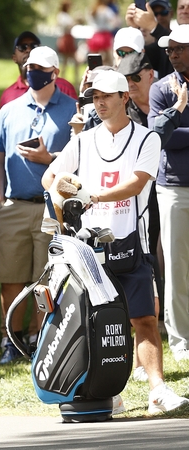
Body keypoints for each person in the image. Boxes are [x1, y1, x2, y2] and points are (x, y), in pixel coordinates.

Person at [43, 70, 189, 414]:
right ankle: (106, 392)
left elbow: (137, 183)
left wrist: (92, 196)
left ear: (124, 97)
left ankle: (157, 390)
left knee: (144, 319)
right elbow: (50, 176)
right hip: (88, 249)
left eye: (106, 96)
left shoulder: (146, 138)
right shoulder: (82, 141)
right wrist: (64, 193)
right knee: (94, 323)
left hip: (131, 242)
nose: (99, 103)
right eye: (95, 97)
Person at [0, 46, 75, 364]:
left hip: (52, 206)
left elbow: (79, 160)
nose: (33, 73)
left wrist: (48, 158)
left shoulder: (72, 109)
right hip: (13, 205)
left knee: (46, 278)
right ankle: (10, 340)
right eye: (29, 67)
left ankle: (42, 340)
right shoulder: (9, 110)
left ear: (55, 73)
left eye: (40, 68)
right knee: (10, 277)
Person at [150, 24, 189, 362]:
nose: (173, 55)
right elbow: (162, 137)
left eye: (179, 49)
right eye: (170, 50)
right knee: (176, 267)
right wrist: (177, 109)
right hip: (175, 187)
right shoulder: (161, 89)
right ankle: (180, 340)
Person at [0, 31, 78, 109]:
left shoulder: (64, 87)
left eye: (34, 46)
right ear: (14, 58)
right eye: (22, 47)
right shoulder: (8, 95)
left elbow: (76, 112)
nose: (29, 50)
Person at [88, 0, 120, 66]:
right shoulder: (106, 10)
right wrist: (111, 27)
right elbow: (115, 22)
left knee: (93, 60)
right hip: (105, 35)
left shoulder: (92, 10)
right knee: (110, 60)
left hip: (95, 35)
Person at [57, 1, 78, 86]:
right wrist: (75, 22)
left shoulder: (66, 15)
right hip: (66, 38)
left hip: (68, 37)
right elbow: (66, 27)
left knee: (68, 62)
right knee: (66, 62)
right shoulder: (62, 15)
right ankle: (64, 80)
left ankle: (74, 80)